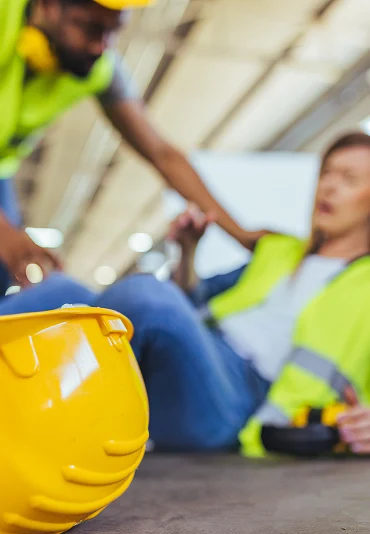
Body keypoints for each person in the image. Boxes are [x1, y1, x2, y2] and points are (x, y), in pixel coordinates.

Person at [3, 132, 370, 456]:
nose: (330, 186)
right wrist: (189, 254)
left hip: (236, 402)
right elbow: (193, 299)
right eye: (327, 173)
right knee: (63, 288)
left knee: (149, 296)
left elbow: (166, 309)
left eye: (349, 179)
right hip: (199, 359)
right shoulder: (278, 250)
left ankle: (29, 412)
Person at [0, 0, 251, 294]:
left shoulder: (101, 69)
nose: (101, 46)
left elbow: (163, 154)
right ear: (48, 5)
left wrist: (242, 234)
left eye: (112, 31)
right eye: (92, 27)